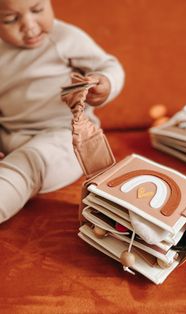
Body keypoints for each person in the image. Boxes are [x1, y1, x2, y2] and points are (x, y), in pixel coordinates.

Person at [0, 0, 125, 223]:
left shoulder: (65, 38)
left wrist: (105, 83)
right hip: (9, 132)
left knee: (25, 166)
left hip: (62, 137)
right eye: (9, 19)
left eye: (37, 10)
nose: (29, 25)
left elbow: (110, 65)